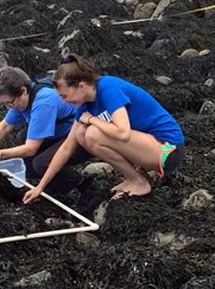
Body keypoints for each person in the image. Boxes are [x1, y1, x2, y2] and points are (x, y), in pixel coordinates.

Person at [23, 53, 186, 203]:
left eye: (65, 96)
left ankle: (139, 182)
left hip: (168, 149)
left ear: (81, 86)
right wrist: (40, 187)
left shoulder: (108, 88)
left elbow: (123, 132)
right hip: (145, 146)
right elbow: (66, 148)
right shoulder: (84, 106)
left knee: (93, 133)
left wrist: (93, 119)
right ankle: (132, 178)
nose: (64, 102)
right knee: (81, 133)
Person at [0, 66, 92, 194]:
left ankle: (83, 184)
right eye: (4, 104)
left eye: (9, 103)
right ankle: (54, 181)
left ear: (23, 91)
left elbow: (31, 149)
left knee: (40, 164)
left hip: (81, 137)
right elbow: (5, 126)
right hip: (59, 133)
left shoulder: (44, 102)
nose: (8, 107)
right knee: (24, 143)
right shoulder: (21, 101)